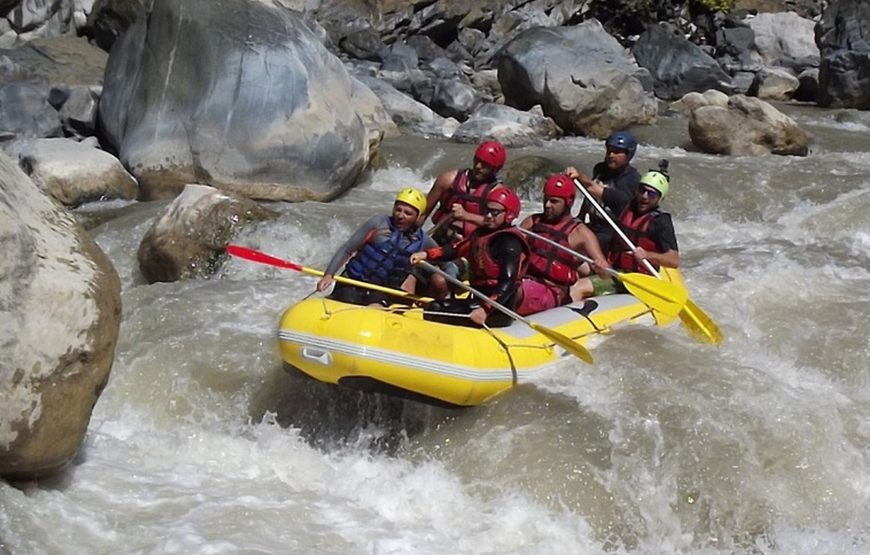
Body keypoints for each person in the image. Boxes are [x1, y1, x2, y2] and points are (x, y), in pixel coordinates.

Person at [410, 186, 528, 328]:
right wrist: (426, 254)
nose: (489, 215)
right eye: (487, 211)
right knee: (434, 306)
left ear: (508, 214)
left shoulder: (510, 243)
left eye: (495, 212)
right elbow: (455, 250)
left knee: (436, 309)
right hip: (478, 302)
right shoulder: (482, 234)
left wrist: (485, 310)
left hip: (498, 311)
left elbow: (508, 283)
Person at [316, 187, 438, 306]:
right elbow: (347, 249)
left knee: (376, 308)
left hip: (382, 290)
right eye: (398, 209)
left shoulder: (424, 242)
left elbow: (444, 259)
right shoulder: (378, 223)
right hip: (353, 282)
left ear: (418, 217)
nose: (400, 215)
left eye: (408, 213)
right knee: (350, 303)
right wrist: (329, 274)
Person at [574, 163, 680, 298]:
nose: (645, 196)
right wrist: (577, 175)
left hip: (637, 280)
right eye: (642, 190)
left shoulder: (661, 222)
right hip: (612, 268)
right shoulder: (625, 203)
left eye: (652, 194)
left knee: (578, 287)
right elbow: (591, 187)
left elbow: (674, 260)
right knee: (571, 265)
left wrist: (647, 255)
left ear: (659, 198)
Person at [517, 174, 610, 309]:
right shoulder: (532, 221)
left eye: (554, 201)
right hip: (524, 280)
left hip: (552, 291)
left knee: (513, 290)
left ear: (569, 202)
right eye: (546, 199)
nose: (547, 205)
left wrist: (601, 267)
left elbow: (606, 273)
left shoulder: (581, 233)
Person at [421, 139, 506, 245]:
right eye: (477, 160)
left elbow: (497, 225)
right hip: (441, 239)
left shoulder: (497, 193)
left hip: (472, 246)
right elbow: (423, 213)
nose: (478, 166)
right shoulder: (448, 179)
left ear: (495, 169)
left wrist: (466, 215)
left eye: (485, 164)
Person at [565, 131, 642, 248]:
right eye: (609, 150)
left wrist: (581, 177)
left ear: (628, 155)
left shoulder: (633, 180)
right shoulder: (600, 169)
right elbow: (589, 195)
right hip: (594, 223)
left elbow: (628, 209)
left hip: (613, 230)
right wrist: (581, 216)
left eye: (616, 152)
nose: (611, 155)